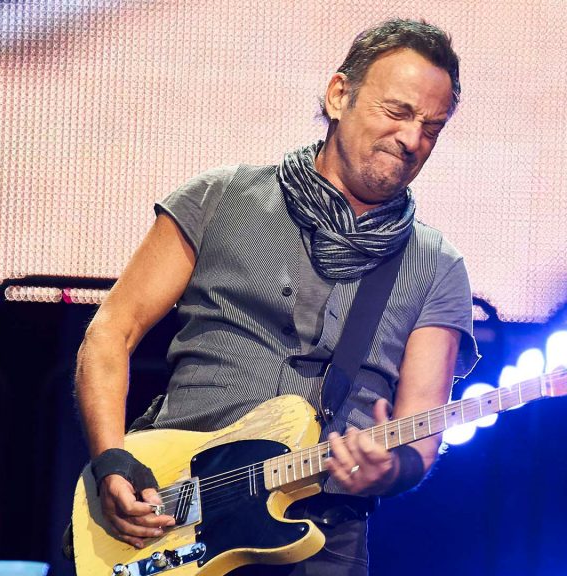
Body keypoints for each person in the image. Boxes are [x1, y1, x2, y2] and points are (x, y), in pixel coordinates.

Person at [73, 18, 478, 575]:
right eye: (397, 112)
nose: (412, 140)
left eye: (432, 127)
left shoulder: (438, 266)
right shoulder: (219, 197)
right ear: (339, 95)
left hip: (322, 538)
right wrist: (111, 458)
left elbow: (421, 436)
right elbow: (110, 333)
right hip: (169, 511)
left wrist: (389, 470)